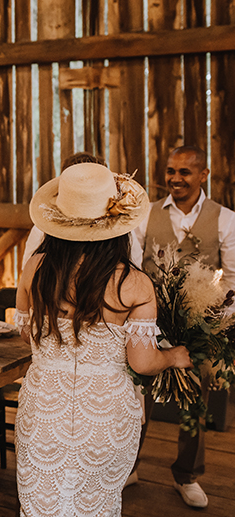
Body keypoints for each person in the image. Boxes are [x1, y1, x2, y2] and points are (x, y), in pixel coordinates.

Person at [15, 162, 192, 517]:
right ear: (117, 225)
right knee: (96, 507)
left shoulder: (35, 267)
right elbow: (142, 362)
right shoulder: (134, 283)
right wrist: (174, 357)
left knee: (41, 507)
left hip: (43, 410)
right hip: (106, 417)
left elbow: (25, 332)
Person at [129, 145, 235, 508]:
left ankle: (187, 475)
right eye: (170, 171)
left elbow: (233, 282)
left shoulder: (226, 219)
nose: (175, 178)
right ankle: (128, 467)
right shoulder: (144, 216)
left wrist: (216, 332)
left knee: (195, 404)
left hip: (198, 330)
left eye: (184, 172)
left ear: (203, 174)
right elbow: (129, 267)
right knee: (136, 399)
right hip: (146, 326)